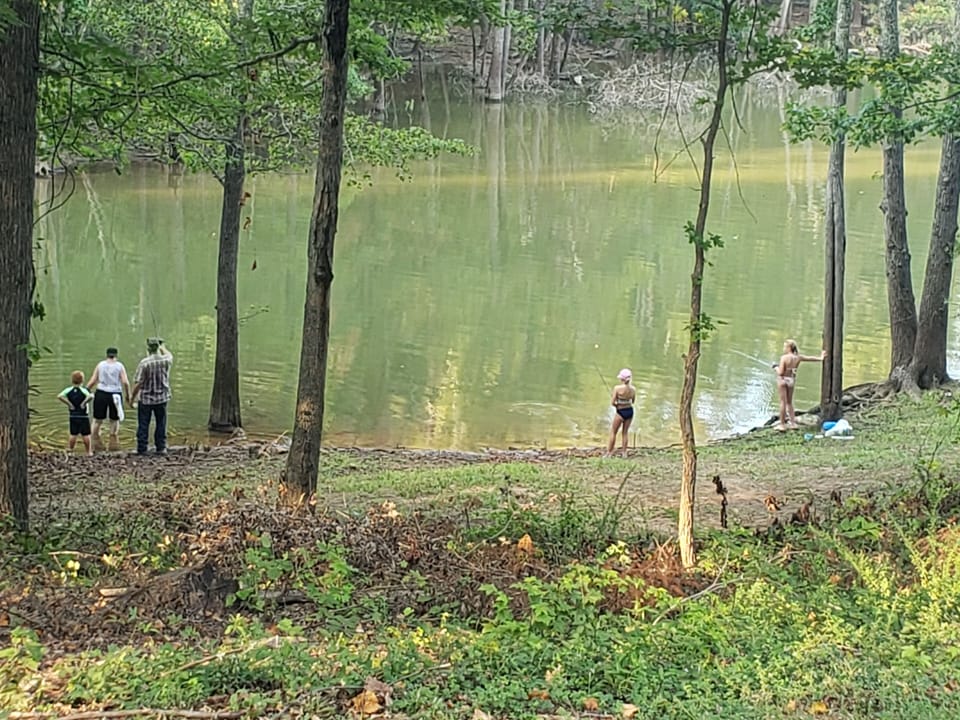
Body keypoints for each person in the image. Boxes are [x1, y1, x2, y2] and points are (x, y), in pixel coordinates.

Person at [131, 337, 173, 456]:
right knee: (161, 423)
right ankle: (161, 447)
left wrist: (131, 398)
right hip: (162, 398)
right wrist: (163, 346)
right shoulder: (166, 360)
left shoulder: (144, 363)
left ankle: (142, 448)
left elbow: (139, 383)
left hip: (146, 399)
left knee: (143, 424)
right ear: (157, 348)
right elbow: (169, 354)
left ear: (148, 348)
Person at [774, 339, 826, 431]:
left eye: (785, 346)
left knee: (783, 402)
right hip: (791, 380)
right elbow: (810, 358)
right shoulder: (798, 357)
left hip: (782, 381)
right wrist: (821, 358)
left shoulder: (784, 358)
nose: (784, 348)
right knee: (789, 402)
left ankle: (782, 425)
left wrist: (775, 367)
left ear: (789, 348)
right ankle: (793, 423)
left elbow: (781, 373)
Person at [87, 347, 131, 451]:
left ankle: (94, 442)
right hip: (115, 394)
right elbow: (125, 382)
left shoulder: (100, 365)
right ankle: (113, 443)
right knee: (114, 420)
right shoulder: (119, 366)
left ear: (106, 355)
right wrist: (128, 396)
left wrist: (86, 390)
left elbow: (93, 380)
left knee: (97, 420)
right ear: (116, 355)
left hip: (101, 393)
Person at [58, 370, 93, 456]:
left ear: (72, 380)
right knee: (86, 434)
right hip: (83, 416)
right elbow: (91, 396)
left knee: (73, 434)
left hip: (73, 415)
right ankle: (88, 452)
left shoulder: (68, 390)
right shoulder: (83, 390)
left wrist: (69, 404)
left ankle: (70, 450)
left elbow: (59, 396)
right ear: (82, 380)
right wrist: (84, 403)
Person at [607, 368, 636, 456]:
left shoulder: (617, 388)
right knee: (625, 433)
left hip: (620, 412)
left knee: (613, 432)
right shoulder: (633, 389)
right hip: (630, 412)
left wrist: (617, 406)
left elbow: (612, 402)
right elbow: (633, 401)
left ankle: (609, 452)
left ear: (621, 379)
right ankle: (624, 452)